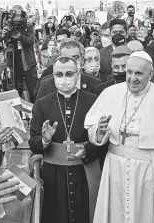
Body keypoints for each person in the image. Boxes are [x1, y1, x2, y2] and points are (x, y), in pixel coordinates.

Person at [85, 51, 154, 223]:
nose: (132, 78)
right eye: (129, 72)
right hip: (116, 168)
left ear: (151, 74)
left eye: (139, 73)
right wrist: (99, 131)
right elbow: (94, 132)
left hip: (152, 171)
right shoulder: (110, 93)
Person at [29, 56, 107, 223]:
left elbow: (103, 141)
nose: (64, 78)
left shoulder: (93, 101)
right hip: (53, 175)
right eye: (59, 74)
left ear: (78, 74)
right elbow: (33, 143)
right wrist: (44, 140)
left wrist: (87, 150)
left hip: (84, 172)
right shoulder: (42, 104)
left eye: (69, 73)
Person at [35, 39, 102, 100]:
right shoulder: (47, 85)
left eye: (75, 58)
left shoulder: (95, 84)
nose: (71, 62)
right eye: (67, 59)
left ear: (82, 59)